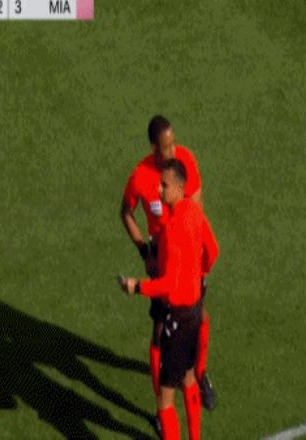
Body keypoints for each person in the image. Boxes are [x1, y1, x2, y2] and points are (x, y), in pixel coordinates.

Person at [120, 116, 216, 415]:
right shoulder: (140, 176)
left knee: (200, 316)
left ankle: (200, 374)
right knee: (160, 332)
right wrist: (144, 252)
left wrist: (198, 262)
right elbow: (126, 213)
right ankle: (161, 400)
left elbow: (197, 207)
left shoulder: (184, 161)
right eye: (166, 146)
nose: (173, 150)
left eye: (173, 143)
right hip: (162, 260)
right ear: (153, 147)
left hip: (188, 256)